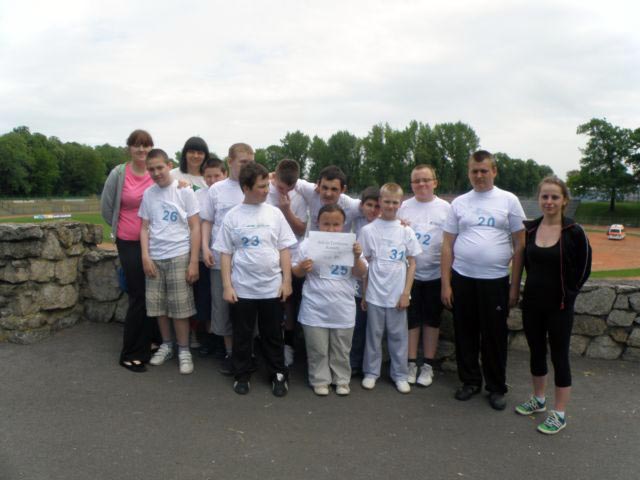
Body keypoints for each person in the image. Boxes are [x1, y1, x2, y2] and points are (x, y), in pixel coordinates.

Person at [441, 150, 526, 410]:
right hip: (463, 278)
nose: (479, 175)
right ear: (469, 172)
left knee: (494, 337)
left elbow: (520, 244)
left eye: (484, 171)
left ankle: (496, 387)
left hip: (495, 280)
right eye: (474, 171)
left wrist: (514, 285)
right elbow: (447, 245)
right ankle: (470, 381)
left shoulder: (509, 201)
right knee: (465, 333)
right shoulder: (459, 203)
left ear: (494, 171)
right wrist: (446, 284)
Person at [515, 176, 592, 434]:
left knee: (559, 357)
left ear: (564, 200)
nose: (549, 201)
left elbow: (584, 268)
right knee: (536, 352)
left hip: (559, 307)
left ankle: (559, 413)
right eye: (545, 196)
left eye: (555, 197)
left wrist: (568, 296)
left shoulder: (574, 231)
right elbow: (525, 264)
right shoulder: (530, 229)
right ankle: (538, 399)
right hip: (532, 304)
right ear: (539, 199)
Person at [213, 162, 297, 396]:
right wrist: (227, 286)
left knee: (273, 334)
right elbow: (225, 253)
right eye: (261, 186)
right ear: (246, 188)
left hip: (272, 288)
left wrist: (287, 281)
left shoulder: (275, 214)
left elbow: (284, 249)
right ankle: (242, 373)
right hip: (243, 289)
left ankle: (278, 373)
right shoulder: (233, 217)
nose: (266, 190)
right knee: (242, 335)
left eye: (267, 185)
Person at [292, 205, 367, 396]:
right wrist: (302, 267)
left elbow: (361, 272)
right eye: (326, 224)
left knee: (341, 349)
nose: (331, 229)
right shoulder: (307, 244)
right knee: (317, 349)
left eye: (336, 224)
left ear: (343, 224)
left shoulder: (352, 245)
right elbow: (296, 272)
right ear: (318, 223)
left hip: (343, 308)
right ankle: (319, 380)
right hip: (314, 307)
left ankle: (341, 380)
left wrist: (356, 257)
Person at [139, 149, 201, 375]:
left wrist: (193, 261)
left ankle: (184, 349)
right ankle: (167, 345)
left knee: (180, 308)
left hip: (179, 254)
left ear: (169, 165)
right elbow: (144, 227)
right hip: (155, 256)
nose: (156, 173)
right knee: (159, 307)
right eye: (151, 169)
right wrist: (145, 256)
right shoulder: (148, 194)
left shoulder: (184, 191)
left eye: (159, 167)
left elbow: (195, 227)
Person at [100, 129, 155, 372]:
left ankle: (150, 342)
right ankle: (130, 353)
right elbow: (106, 208)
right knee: (138, 295)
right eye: (136, 145)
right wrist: (121, 228)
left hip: (154, 242)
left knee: (152, 295)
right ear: (130, 148)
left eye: (146, 145)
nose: (141, 150)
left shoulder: (155, 172)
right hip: (128, 241)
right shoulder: (119, 173)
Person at [359, 183, 421, 394]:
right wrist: (365, 294)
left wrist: (406, 293)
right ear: (380, 202)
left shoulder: (406, 230)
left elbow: (412, 263)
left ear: (400, 203)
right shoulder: (368, 230)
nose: (390, 206)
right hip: (375, 294)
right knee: (373, 336)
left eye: (395, 202)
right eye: (386, 201)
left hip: (397, 296)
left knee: (398, 337)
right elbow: (365, 265)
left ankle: (400, 375)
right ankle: (371, 372)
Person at [200, 144, 255, 375]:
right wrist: (205, 247)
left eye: (250, 162)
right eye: (243, 162)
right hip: (220, 257)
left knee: (247, 308)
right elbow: (208, 221)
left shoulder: (255, 187)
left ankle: (248, 353)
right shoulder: (217, 190)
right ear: (230, 161)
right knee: (222, 307)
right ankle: (230, 353)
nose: (247, 166)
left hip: (248, 260)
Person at [398, 165, 451, 387]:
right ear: (411, 185)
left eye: (425, 180)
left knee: (431, 321)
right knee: (411, 321)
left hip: (435, 274)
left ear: (435, 182)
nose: (421, 184)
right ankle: (411, 363)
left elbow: (451, 242)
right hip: (409, 276)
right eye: (416, 181)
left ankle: (427, 365)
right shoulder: (403, 207)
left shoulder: (446, 209)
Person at [265, 159, 309, 367]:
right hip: (268, 256)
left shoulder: (300, 194)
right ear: (274, 177)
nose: (285, 192)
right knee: (271, 302)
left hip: (291, 256)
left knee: (289, 301)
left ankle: (289, 343)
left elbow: (300, 229)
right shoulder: (264, 188)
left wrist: (286, 210)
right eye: (281, 188)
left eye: (289, 189)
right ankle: (269, 342)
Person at [193, 157, 227, 357]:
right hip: (204, 254)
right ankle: (210, 337)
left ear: (225, 174)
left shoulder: (231, 191)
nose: (212, 180)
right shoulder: (198, 195)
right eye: (208, 176)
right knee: (207, 300)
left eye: (217, 175)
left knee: (223, 300)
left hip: (225, 255)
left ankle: (224, 341)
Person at [350, 186, 380, 376]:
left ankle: (369, 365)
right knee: (358, 325)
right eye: (369, 205)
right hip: (359, 282)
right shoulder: (356, 221)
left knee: (374, 328)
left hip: (378, 283)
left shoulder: (387, 224)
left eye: (377, 206)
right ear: (362, 205)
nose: (373, 210)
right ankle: (354, 363)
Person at [294, 165, 361, 232]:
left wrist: (360, 235)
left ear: (343, 189)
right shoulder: (312, 192)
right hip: (314, 238)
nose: (328, 194)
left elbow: (367, 204)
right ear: (318, 184)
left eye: (334, 189)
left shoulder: (351, 205)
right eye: (325, 188)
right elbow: (291, 179)